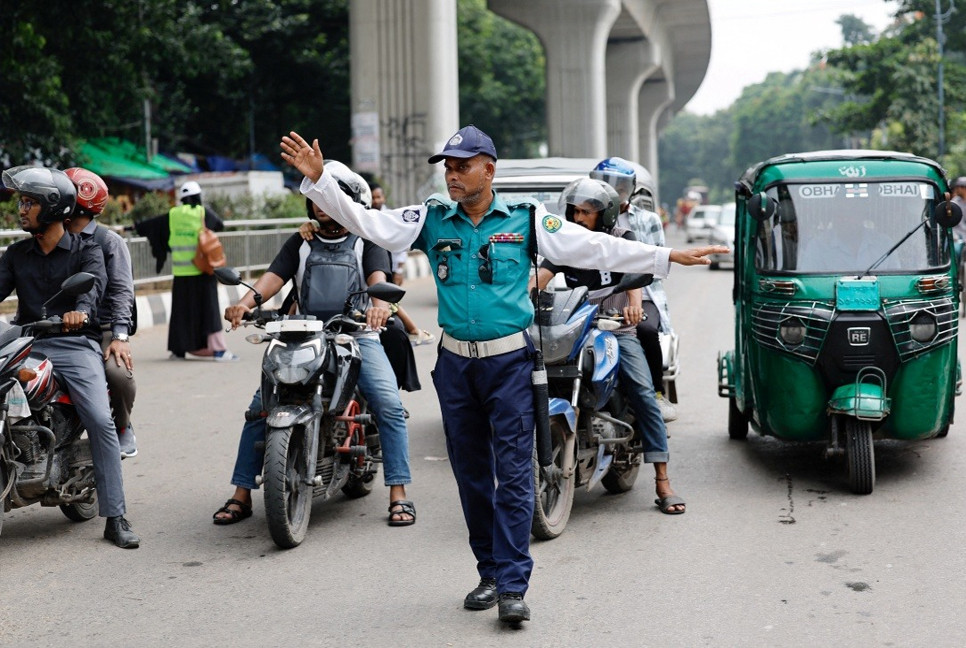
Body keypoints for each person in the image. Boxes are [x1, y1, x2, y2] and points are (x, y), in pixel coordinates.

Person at [279, 124, 725, 625]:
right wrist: (320, 182)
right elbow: (368, 223)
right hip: (455, 365)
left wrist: (665, 257)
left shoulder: (527, 219)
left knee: (514, 474)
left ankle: (513, 585)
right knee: (470, 474)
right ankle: (489, 572)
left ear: (488, 170)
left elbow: (592, 248)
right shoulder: (431, 218)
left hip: (509, 363)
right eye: (447, 166)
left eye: (460, 165)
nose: (451, 174)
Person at [213, 166, 415, 527]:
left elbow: (378, 278)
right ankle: (241, 493)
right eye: (316, 197)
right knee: (260, 406)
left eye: (330, 197)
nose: (321, 204)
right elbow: (272, 279)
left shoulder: (367, 239)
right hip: (304, 335)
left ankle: (398, 491)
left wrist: (380, 309)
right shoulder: (301, 242)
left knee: (388, 404)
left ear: (348, 202)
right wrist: (245, 303)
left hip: (355, 334)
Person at [0, 166, 139, 548]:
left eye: (28, 202)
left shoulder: (88, 250)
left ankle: (116, 517)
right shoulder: (16, 254)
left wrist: (79, 313)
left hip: (75, 344)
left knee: (99, 419)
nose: (21, 209)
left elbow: (90, 295)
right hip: (27, 343)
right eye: (22, 201)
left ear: (51, 208)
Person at [531, 177, 685, 515]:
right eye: (574, 211)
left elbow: (636, 268)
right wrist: (517, 300)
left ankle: (662, 480)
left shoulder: (621, 239)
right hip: (574, 326)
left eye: (586, 212)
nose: (578, 217)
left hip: (616, 327)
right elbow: (540, 277)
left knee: (644, 394)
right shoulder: (566, 244)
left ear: (606, 215)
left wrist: (633, 304)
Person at [591, 157, 677, 422]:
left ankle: (656, 393)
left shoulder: (647, 220)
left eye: (620, 186)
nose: (614, 192)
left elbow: (655, 260)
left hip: (642, 290)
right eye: (606, 185)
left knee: (647, 329)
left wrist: (633, 298)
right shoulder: (586, 217)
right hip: (597, 292)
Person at [64, 168, 139, 458]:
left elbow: (122, 291)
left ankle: (123, 426)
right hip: (61, 327)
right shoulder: (52, 238)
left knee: (118, 374)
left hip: (103, 327)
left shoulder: (109, 242)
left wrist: (120, 336)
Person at [134, 181, 236, 361]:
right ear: (198, 197)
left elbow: (149, 226)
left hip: (181, 274)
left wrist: (133, 227)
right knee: (210, 312)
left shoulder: (173, 214)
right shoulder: (202, 212)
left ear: (181, 198)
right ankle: (219, 351)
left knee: (181, 314)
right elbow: (219, 224)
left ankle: (178, 351)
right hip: (203, 271)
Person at [372, 182, 436, 347]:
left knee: (390, 303)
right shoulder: (364, 218)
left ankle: (414, 330)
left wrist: (399, 269)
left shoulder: (389, 216)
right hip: (374, 267)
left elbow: (401, 244)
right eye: (373, 197)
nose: (376, 200)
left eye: (378, 196)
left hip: (386, 266)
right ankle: (414, 330)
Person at [950, 176, 966, 241]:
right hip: (957, 236)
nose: (956, 189)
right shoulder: (954, 203)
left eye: (958, 187)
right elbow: (959, 225)